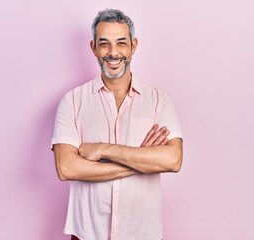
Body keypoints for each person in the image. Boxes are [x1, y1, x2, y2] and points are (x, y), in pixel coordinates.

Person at [51, 8, 183, 240]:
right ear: (93, 48)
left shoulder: (159, 102)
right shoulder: (72, 101)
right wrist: (144, 160)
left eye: (121, 43)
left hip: (143, 234)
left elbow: (172, 160)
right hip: (88, 234)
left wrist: (102, 150)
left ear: (133, 46)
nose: (113, 53)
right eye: (104, 44)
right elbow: (66, 168)